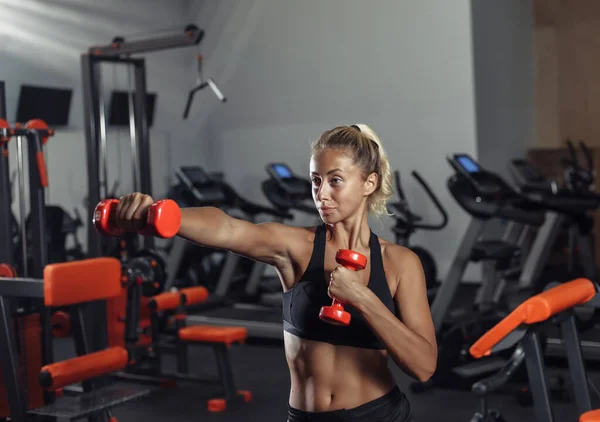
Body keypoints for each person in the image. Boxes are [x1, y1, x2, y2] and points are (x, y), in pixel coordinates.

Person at [114, 124, 437, 421]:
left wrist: (363, 298)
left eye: (335, 180)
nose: (321, 194)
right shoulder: (296, 247)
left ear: (369, 182)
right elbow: (227, 227)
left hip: (379, 415)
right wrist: (160, 214)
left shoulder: (400, 263)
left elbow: (424, 366)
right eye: (316, 180)